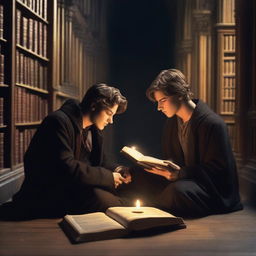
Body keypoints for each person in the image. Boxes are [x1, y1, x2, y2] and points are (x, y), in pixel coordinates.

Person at [0, 83, 130, 219]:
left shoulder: (93, 129)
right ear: (93, 106)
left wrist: (118, 169)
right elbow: (66, 167)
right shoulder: (57, 122)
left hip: (74, 188)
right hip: (49, 195)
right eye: (109, 113)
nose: (111, 121)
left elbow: (100, 161)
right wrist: (109, 177)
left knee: (118, 192)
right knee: (100, 198)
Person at [128, 69, 243, 218]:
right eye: (158, 102)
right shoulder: (172, 123)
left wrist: (180, 173)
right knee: (138, 173)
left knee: (177, 191)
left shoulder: (212, 124)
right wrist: (158, 167)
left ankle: (153, 206)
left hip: (207, 188)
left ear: (180, 94)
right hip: (182, 179)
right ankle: (154, 203)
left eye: (162, 100)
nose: (159, 107)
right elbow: (172, 160)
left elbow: (219, 171)